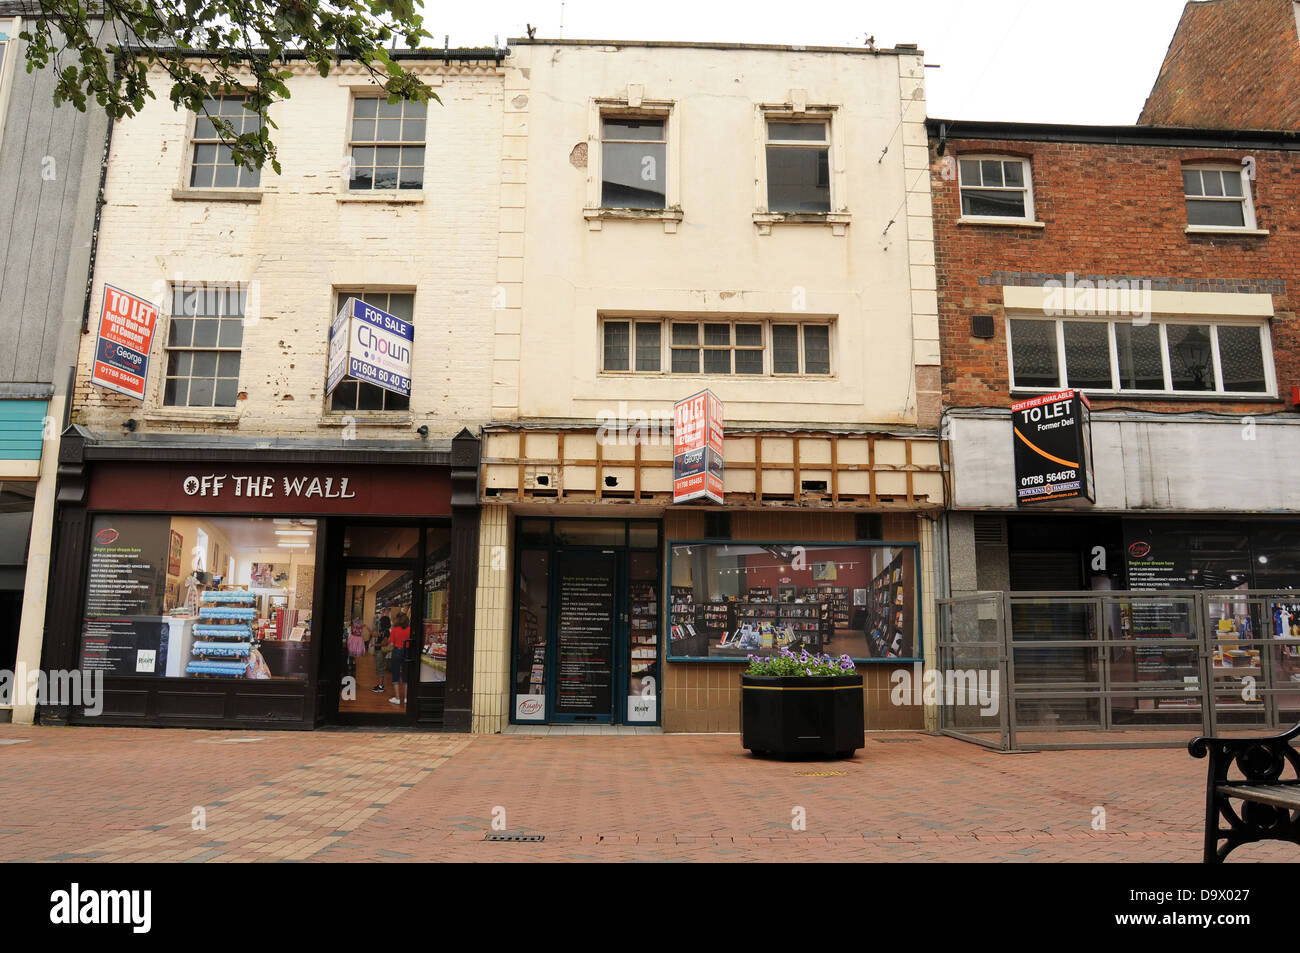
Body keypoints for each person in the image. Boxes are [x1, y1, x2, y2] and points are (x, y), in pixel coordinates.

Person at [388, 611, 412, 706]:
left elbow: (391, 644)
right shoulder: (410, 629)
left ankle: (397, 698)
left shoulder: (394, 629)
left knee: (396, 675)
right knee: (406, 676)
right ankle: (406, 698)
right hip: (407, 652)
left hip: (397, 652)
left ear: (397, 620)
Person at [370, 613, 391, 694]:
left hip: (381, 651)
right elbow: (375, 634)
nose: (379, 623)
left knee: (380, 667)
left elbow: (384, 643)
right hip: (379, 651)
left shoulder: (386, 632)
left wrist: (374, 644)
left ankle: (381, 686)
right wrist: (368, 628)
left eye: (381, 621)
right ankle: (380, 685)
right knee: (379, 667)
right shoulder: (383, 631)